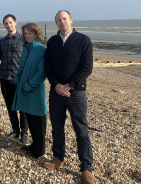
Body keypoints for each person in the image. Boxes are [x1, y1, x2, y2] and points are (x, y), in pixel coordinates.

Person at [43, 10, 95, 184]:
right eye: (59, 20)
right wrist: (57, 85)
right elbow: (47, 66)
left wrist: (69, 85)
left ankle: (86, 167)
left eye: (64, 18)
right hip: (56, 92)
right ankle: (58, 157)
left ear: (71, 20)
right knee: (57, 126)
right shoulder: (53, 41)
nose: (62, 22)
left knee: (81, 129)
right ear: (56, 24)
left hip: (77, 92)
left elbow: (87, 67)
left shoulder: (83, 40)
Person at [11, 23, 47, 158]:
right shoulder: (26, 48)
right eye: (25, 33)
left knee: (38, 122)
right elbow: (21, 66)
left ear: (36, 34)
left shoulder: (41, 50)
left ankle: (39, 151)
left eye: (30, 33)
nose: (27, 36)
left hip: (35, 91)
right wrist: (18, 77)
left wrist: (29, 85)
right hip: (24, 87)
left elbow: (42, 72)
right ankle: (33, 145)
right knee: (30, 120)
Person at [0, 14, 28, 143]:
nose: (8, 25)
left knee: (22, 108)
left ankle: (24, 135)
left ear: (15, 23)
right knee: (10, 107)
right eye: (6, 23)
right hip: (5, 78)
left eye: (10, 22)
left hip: (19, 79)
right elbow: (2, 56)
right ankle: (15, 131)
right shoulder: (3, 41)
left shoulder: (23, 39)